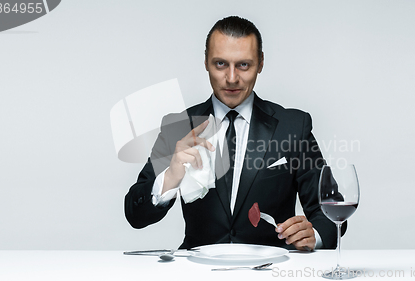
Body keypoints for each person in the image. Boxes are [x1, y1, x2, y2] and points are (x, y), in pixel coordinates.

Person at [125, 16, 344, 250]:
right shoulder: (179, 126)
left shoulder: (293, 126)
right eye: (220, 64)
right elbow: (134, 214)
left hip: (271, 269)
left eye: (243, 65)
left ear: (260, 63)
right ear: (206, 62)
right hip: (197, 271)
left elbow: (330, 209)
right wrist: (170, 176)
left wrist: (315, 235)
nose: (231, 78)